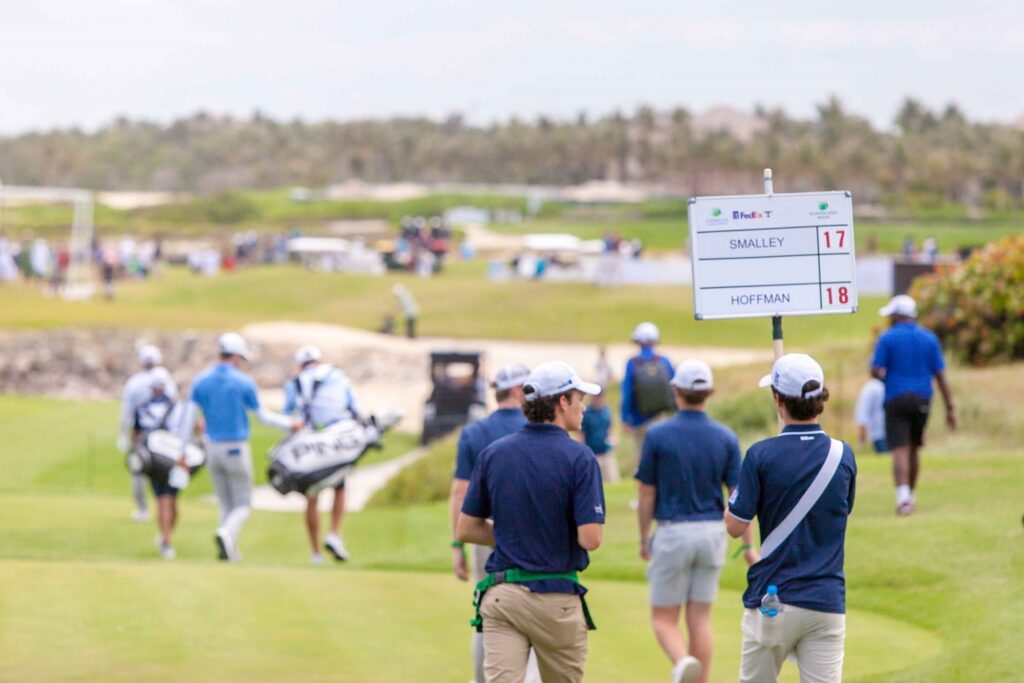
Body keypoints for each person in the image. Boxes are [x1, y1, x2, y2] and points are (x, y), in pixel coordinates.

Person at [457, 361, 605, 683]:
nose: (582, 406)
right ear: (562, 402)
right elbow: (590, 538)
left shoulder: (493, 453)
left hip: (503, 597)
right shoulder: (581, 457)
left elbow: (466, 529)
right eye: (578, 398)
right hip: (557, 600)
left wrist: (515, 533)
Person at [725, 353, 857, 683]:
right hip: (826, 600)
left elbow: (735, 526)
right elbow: (842, 511)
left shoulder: (760, 455)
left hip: (774, 598)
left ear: (777, 400)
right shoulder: (843, 455)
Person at [636, 360, 756, 683]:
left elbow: (646, 492)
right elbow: (738, 496)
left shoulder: (657, 434)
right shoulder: (726, 436)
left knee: (664, 619)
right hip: (713, 533)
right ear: (710, 393)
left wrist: (643, 537)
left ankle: (682, 661)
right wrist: (748, 546)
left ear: (676, 391)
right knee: (700, 619)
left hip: (673, 531)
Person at [449, 362, 540, 683]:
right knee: (535, 613)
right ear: (517, 390)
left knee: (487, 615)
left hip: (486, 537)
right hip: (536, 539)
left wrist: (458, 544)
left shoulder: (474, 433)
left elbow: (460, 494)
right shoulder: (539, 430)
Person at [178, 333, 299, 561]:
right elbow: (263, 416)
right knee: (243, 503)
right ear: (234, 356)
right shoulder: (243, 382)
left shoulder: (201, 380)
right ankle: (227, 533)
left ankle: (230, 551)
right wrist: (290, 424)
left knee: (225, 502)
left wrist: (181, 452)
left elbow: (187, 420)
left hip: (211, 448)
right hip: (236, 447)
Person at [871, 295, 955, 515]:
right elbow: (940, 376)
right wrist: (950, 408)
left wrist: (886, 379)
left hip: (895, 398)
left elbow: (875, 369)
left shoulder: (887, 338)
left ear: (897, 316)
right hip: (922, 399)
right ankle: (911, 494)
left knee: (900, 448)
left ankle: (903, 498)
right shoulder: (929, 338)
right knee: (914, 447)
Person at [283, 345, 361, 564]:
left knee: (312, 496)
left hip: (311, 444)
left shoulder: (295, 383)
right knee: (340, 488)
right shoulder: (337, 375)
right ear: (318, 361)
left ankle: (315, 552)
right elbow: (354, 409)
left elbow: (287, 414)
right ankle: (334, 533)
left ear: (301, 364)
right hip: (336, 442)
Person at [133, 372, 192, 559]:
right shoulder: (176, 406)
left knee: (167, 501)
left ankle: (165, 537)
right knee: (166, 499)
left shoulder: (144, 407)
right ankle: (166, 540)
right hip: (170, 459)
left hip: (159, 459)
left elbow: (136, 434)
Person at [118, 345, 178, 522]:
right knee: (157, 475)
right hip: (160, 438)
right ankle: (162, 507)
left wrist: (124, 434)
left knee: (140, 470)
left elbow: (128, 413)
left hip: (150, 437)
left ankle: (144, 509)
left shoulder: (136, 382)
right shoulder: (164, 377)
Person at [621, 322, 675, 468]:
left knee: (643, 461)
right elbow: (675, 387)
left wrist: (625, 419)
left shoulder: (632, 363)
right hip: (662, 418)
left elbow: (627, 394)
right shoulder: (664, 361)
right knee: (662, 460)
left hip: (639, 420)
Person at [580, 388, 617, 483]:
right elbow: (581, 434)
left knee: (612, 480)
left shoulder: (606, 411)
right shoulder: (586, 413)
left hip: (606, 452)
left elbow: (610, 427)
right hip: (593, 454)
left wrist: (613, 439)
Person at [854, 377, 888, 454]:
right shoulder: (876, 386)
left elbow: (862, 414)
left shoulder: (870, 387)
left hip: (880, 434)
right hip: (882, 435)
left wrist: (861, 440)